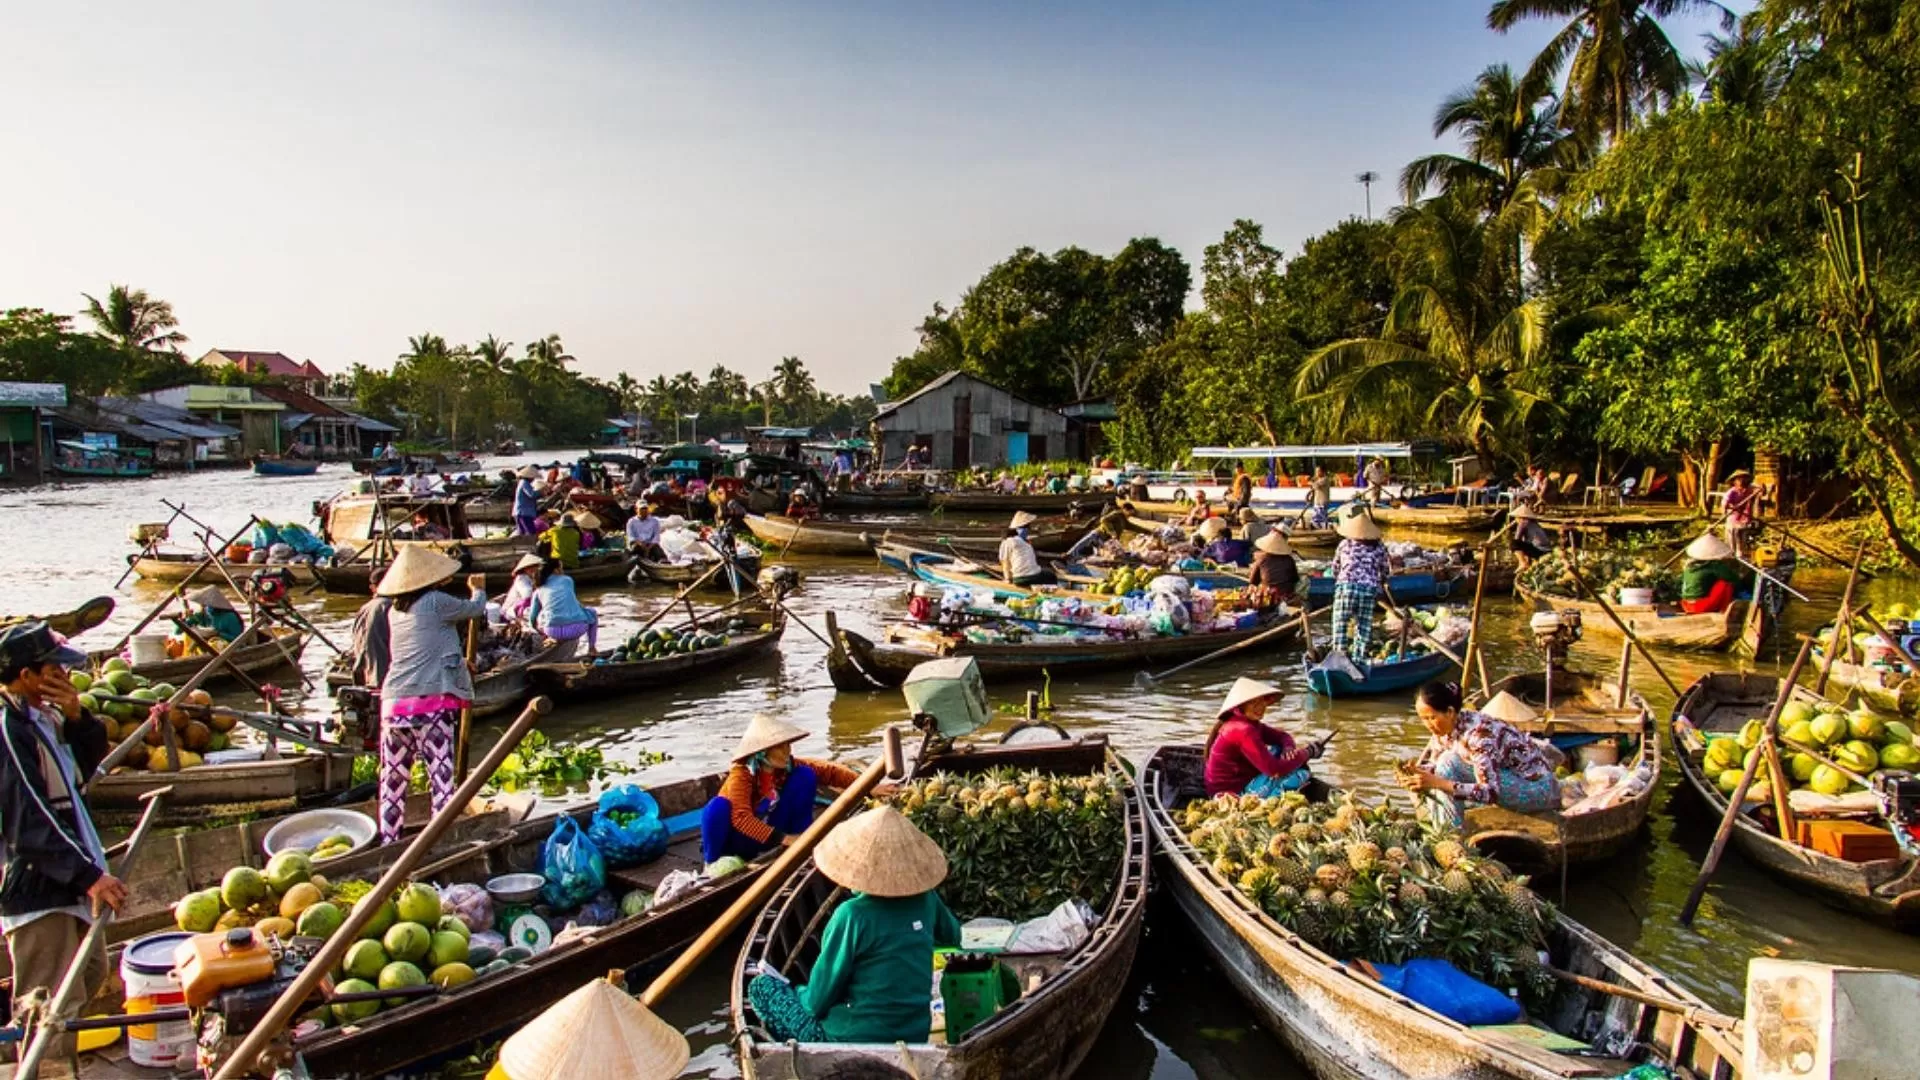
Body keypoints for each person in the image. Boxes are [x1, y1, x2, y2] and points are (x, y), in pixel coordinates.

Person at [0, 623, 123, 1063]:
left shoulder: (46, 719)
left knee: (92, 973)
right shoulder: (9, 728)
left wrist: (77, 716)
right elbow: (29, 819)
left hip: (69, 873)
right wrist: (89, 876)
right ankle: (46, 1070)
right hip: (40, 884)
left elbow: (82, 777)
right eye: (55, 671)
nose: (66, 678)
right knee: (50, 1010)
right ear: (28, 676)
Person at [745, 805, 959, 1044]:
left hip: (850, 1037)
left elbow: (816, 1003)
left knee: (761, 987)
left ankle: (802, 1052)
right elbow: (953, 936)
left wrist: (798, 992)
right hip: (914, 1034)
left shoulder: (851, 915)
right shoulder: (926, 899)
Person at [373, 547, 487, 844]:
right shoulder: (435, 602)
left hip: (393, 705)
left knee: (393, 780)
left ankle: (388, 839)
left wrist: (460, 663)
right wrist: (478, 589)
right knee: (441, 778)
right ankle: (440, 839)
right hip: (428, 706)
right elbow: (476, 609)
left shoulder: (396, 611)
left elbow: (423, 650)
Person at [700, 715, 861, 863]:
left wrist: (867, 785)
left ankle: (802, 840)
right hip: (739, 841)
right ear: (762, 753)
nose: (787, 751)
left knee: (805, 775)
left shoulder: (785, 767)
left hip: (770, 833)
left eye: (788, 745)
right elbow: (741, 818)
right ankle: (712, 864)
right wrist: (785, 838)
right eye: (780, 747)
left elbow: (827, 771)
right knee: (717, 807)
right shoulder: (742, 773)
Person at [1396, 682, 1558, 826]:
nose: (1428, 725)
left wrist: (1437, 782)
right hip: (1507, 779)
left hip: (1539, 791)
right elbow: (1435, 766)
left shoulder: (1480, 736)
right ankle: (1443, 833)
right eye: (1423, 719)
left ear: (1450, 712)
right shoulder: (1443, 732)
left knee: (1447, 764)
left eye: (1431, 718)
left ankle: (1450, 836)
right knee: (1442, 767)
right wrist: (1416, 773)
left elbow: (1490, 792)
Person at [1203, 678, 1325, 796]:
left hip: (1243, 779)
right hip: (1229, 794)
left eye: (1262, 701)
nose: (1260, 707)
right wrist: (1308, 753)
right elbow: (1274, 770)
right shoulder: (1243, 730)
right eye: (1253, 703)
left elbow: (1282, 736)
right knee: (1302, 774)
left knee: (1279, 748)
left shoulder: (1251, 723)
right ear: (1240, 706)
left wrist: (1288, 749)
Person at [1327, 507, 1388, 670]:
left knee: (1340, 624)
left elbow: (1335, 568)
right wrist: (1380, 583)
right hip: (1369, 589)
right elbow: (1384, 571)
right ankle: (1359, 660)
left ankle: (1339, 660)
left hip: (1346, 587)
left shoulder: (1344, 544)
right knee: (1364, 626)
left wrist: (1340, 581)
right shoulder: (1379, 547)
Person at [527, 560, 600, 652]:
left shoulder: (538, 590)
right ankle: (592, 648)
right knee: (592, 612)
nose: (563, 571)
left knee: (543, 615)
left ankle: (552, 638)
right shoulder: (567, 580)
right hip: (576, 630)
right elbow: (573, 603)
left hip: (552, 632)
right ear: (556, 570)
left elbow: (532, 619)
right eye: (561, 568)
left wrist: (542, 633)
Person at [1680, 533, 1741, 614]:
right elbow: (1734, 580)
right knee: (1725, 584)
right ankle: (1724, 611)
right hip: (1699, 606)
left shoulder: (1688, 566)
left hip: (1685, 604)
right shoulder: (1714, 565)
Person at [999, 512, 1053, 586]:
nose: (1028, 530)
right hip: (1025, 578)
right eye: (1027, 527)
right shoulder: (1011, 541)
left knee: (1046, 573)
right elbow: (1005, 562)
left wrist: (1007, 578)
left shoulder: (1021, 542)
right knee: (1051, 575)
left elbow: (1005, 562)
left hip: (1022, 577)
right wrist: (1007, 579)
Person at [1246, 531, 1299, 605]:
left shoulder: (1261, 560)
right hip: (1287, 595)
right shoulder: (1289, 559)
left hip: (1269, 596)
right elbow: (1295, 579)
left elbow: (1253, 582)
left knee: (1252, 590)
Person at [1723, 470, 1760, 557]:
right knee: (1732, 544)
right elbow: (1724, 505)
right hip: (1733, 521)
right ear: (1734, 482)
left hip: (1744, 521)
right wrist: (1732, 507)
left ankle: (1741, 558)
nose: (1742, 481)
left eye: (1744, 479)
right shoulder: (1731, 492)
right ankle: (1732, 559)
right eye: (1739, 479)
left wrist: (1760, 489)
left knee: (1742, 545)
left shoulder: (1749, 490)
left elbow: (1759, 490)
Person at [500, 553, 543, 625]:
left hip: (523, 609)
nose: (534, 569)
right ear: (525, 568)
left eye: (536, 566)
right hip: (510, 611)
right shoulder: (521, 578)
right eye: (531, 567)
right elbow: (527, 595)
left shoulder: (533, 579)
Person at [1508, 503, 1554, 569]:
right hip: (1547, 549)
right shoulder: (1535, 523)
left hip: (1540, 550)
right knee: (1522, 544)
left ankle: (1523, 562)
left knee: (1513, 543)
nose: (1515, 519)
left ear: (1519, 517)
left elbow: (1517, 539)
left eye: (1516, 517)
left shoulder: (1523, 523)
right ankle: (1526, 563)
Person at [512, 465, 542, 537]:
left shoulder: (524, 483)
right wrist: (541, 492)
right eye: (533, 477)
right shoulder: (524, 483)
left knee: (523, 533)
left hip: (522, 512)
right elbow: (531, 494)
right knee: (530, 533)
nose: (534, 479)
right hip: (524, 513)